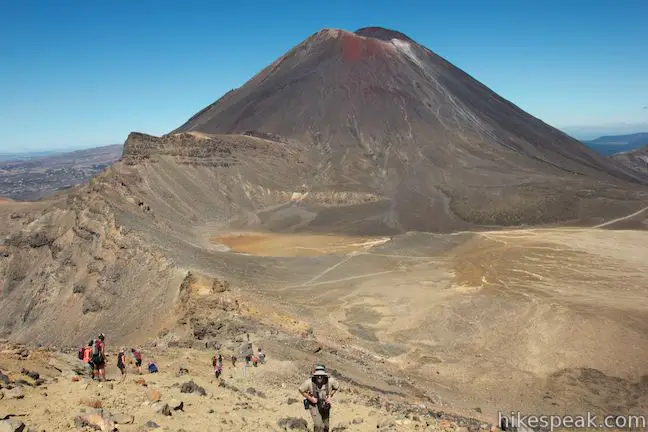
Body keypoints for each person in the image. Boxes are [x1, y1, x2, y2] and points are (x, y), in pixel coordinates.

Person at [298, 365, 340, 432]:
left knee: (326, 426)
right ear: (315, 375)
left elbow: (336, 387)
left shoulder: (330, 381)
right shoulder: (309, 382)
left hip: (325, 404)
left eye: (321, 375)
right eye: (318, 375)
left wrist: (330, 396)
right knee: (319, 425)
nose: (319, 377)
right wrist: (310, 398)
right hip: (314, 405)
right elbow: (301, 390)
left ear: (324, 375)